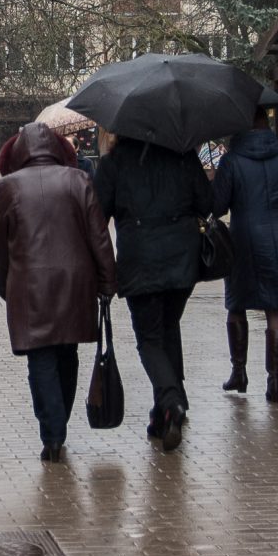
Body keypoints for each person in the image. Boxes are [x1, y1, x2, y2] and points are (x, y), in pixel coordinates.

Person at [0, 121, 116, 463]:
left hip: (29, 286)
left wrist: (4, 285)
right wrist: (106, 282)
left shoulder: (8, 189)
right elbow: (99, 237)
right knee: (67, 354)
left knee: (40, 359)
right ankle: (59, 426)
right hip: (75, 284)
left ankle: (53, 432)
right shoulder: (78, 180)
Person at [94, 133, 212, 448]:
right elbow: (208, 202)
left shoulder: (113, 163)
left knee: (149, 339)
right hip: (182, 259)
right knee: (168, 327)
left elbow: (97, 216)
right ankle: (166, 411)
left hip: (139, 260)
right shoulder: (183, 155)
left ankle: (172, 400)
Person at [212, 110, 278, 403]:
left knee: (236, 304)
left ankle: (239, 372)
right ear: (266, 124)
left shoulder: (231, 160)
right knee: (276, 310)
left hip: (243, 239)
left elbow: (218, 205)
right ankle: (274, 381)